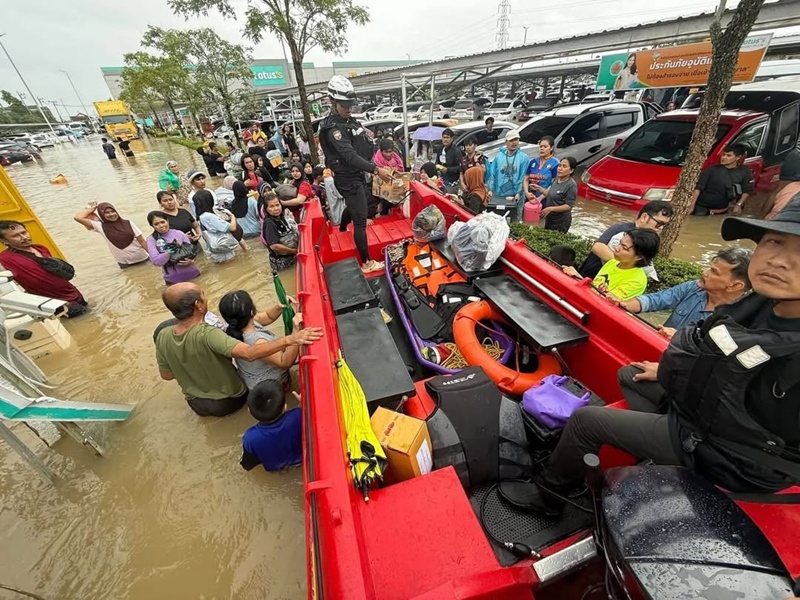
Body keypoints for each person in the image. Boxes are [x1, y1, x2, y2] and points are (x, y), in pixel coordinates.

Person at [519, 197, 800, 518]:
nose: (780, 261)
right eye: (775, 241)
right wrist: (665, 370)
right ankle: (650, 448)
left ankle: (548, 498)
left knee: (586, 422)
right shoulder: (760, 305)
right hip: (706, 411)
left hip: (727, 454)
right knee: (630, 374)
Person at [154, 282, 322, 417]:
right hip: (231, 398)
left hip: (196, 404)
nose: (206, 297)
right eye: (202, 294)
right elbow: (250, 353)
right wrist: (292, 337)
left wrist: (280, 306)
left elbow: (167, 375)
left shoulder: (163, 335)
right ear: (197, 305)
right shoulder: (211, 334)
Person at [317, 75, 393, 274]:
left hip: (356, 174)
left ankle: (342, 228)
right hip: (348, 178)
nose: (349, 108)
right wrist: (376, 169)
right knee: (360, 220)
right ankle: (367, 263)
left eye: (350, 104)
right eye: (344, 105)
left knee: (353, 207)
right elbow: (349, 156)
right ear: (332, 102)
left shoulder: (348, 121)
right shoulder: (333, 129)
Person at [614, 247, 752, 338]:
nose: (705, 272)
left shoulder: (741, 321)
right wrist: (623, 304)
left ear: (735, 285)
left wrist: (681, 340)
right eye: (709, 268)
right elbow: (655, 300)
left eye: (714, 272)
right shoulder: (694, 287)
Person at [0, 221, 88, 317]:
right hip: (56, 305)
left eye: (24, 232)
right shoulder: (5, 260)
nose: (24, 237)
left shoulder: (41, 248)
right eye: (15, 236)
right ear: (5, 241)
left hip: (74, 294)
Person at [219, 290, 300, 390]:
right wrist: (296, 331)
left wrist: (279, 306)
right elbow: (284, 361)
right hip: (269, 388)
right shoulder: (256, 341)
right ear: (251, 312)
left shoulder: (238, 325)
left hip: (253, 381)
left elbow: (268, 316)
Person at [577, 201, 673, 279]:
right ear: (644, 217)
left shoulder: (647, 241)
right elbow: (598, 247)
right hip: (591, 278)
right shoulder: (621, 229)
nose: (660, 228)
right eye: (659, 223)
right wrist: (624, 267)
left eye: (664, 225)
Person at [564, 228, 659, 301]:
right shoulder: (613, 262)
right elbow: (595, 289)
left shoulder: (636, 281)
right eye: (620, 243)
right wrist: (577, 277)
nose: (617, 248)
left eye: (624, 248)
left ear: (639, 257)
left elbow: (604, 301)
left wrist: (579, 278)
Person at [239, 379, 302, 472]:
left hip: (277, 470)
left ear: (249, 411)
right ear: (285, 407)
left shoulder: (250, 438)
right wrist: (303, 404)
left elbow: (247, 465)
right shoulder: (299, 415)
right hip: (302, 462)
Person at [74, 202, 149, 269]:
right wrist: (92, 209)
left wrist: (153, 255)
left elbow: (142, 241)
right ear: (102, 214)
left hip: (143, 260)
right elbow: (77, 217)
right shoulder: (100, 226)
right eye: (107, 212)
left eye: (113, 211)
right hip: (125, 264)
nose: (112, 214)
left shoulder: (128, 223)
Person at [690, 144, 754, 216]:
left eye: (728, 155)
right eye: (723, 155)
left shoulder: (744, 171)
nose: (724, 157)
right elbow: (698, 188)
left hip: (722, 210)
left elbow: (747, 190)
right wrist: (691, 206)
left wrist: (738, 204)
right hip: (700, 208)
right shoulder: (712, 169)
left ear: (738, 157)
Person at [485, 130, 530, 222]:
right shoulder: (498, 157)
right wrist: (490, 189)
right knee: (497, 218)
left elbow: (523, 177)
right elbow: (492, 174)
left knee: (515, 219)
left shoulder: (523, 158)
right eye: (511, 140)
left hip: (516, 195)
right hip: (499, 194)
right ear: (506, 142)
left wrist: (518, 192)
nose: (514, 143)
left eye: (516, 140)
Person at [145, 211, 200, 285]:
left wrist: (191, 261)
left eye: (162, 222)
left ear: (167, 221)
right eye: (156, 224)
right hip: (173, 280)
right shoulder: (151, 240)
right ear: (152, 226)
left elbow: (192, 253)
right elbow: (157, 262)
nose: (161, 225)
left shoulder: (179, 233)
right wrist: (171, 250)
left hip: (193, 274)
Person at [193, 190, 240, 263]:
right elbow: (232, 228)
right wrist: (233, 216)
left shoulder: (199, 217)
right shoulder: (209, 216)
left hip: (215, 251)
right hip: (224, 251)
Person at [262, 194, 299, 274]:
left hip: (291, 256)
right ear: (266, 209)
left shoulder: (282, 217)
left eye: (277, 205)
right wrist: (294, 251)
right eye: (271, 206)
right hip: (281, 261)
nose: (276, 209)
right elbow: (274, 246)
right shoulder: (269, 223)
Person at [540, 157, 578, 233]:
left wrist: (550, 209)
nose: (560, 168)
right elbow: (550, 194)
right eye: (559, 165)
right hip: (550, 218)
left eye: (564, 166)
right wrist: (539, 188)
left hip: (560, 222)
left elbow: (568, 206)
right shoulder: (556, 179)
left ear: (571, 170)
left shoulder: (571, 185)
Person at [524, 136, 559, 211]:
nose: (542, 148)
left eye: (545, 147)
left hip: (545, 200)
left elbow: (554, 184)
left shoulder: (555, 163)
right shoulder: (533, 161)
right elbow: (526, 178)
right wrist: (526, 193)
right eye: (540, 146)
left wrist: (539, 199)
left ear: (551, 148)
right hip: (530, 197)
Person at [764, 148, 800, 220]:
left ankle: (763, 218)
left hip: (794, 157)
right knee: (783, 189)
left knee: (780, 189)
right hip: (795, 158)